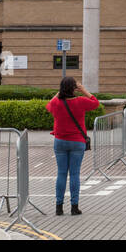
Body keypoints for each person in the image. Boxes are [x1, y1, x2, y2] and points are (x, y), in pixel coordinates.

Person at [46, 77, 100, 215]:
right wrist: (83, 90)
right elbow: (95, 103)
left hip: (60, 141)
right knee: (75, 174)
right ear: (74, 88)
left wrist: (60, 92)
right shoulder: (80, 101)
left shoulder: (57, 103)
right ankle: (74, 207)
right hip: (77, 142)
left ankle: (59, 207)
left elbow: (49, 105)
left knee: (61, 173)